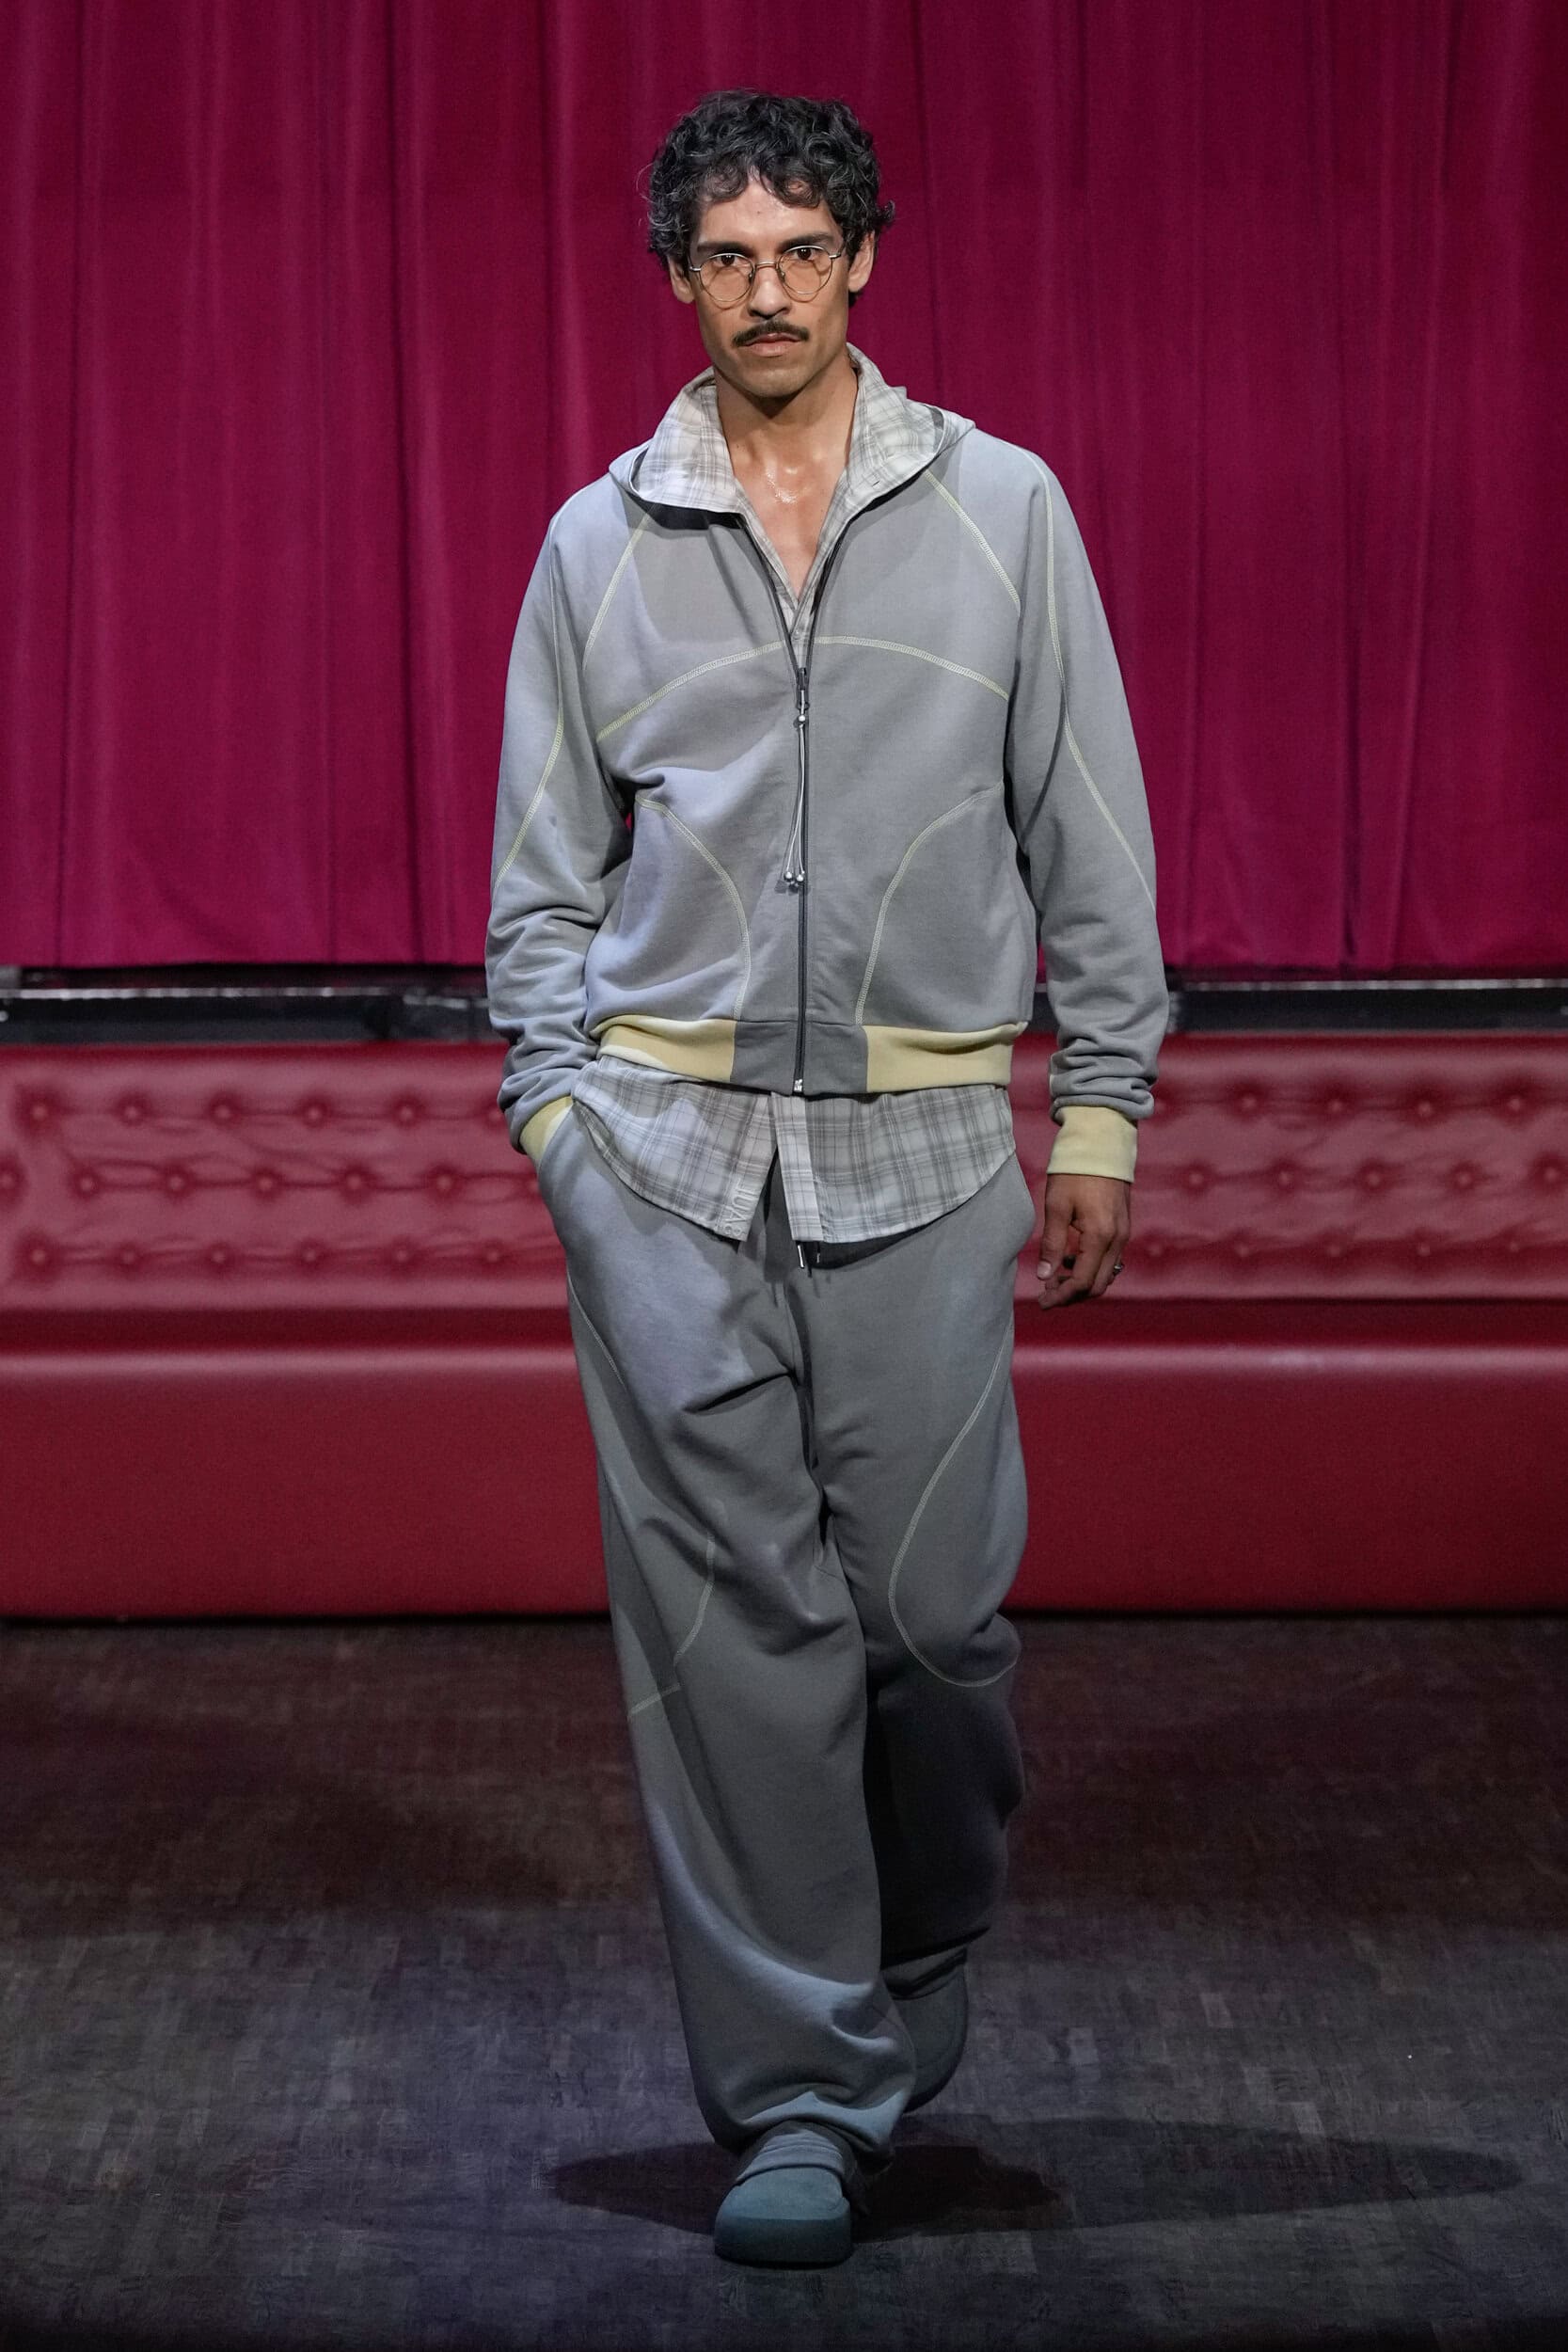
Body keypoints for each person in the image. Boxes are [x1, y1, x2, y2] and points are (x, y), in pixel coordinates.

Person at [484, 87, 1166, 2266]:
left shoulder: (1003, 509)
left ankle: (906, 1952)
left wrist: (1100, 1106)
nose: (766, 290)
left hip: (929, 1150)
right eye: (727, 256)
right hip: (663, 1165)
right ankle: (799, 2092)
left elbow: (1087, 824)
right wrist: (564, 1129)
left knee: (930, 1628)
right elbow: (538, 891)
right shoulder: (599, 543)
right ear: (678, 279)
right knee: (737, 1647)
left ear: (863, 258)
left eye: (801, 250)